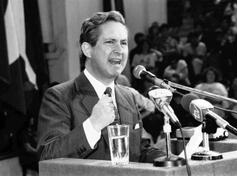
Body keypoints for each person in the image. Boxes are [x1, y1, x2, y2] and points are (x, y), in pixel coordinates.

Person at [37, 11, 164, 163]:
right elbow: (48, 157)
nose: (119, 50)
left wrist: (175, 160)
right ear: (87, 49)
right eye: (110, 42)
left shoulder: (127, 96)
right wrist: (93, 125)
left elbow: (139, 151)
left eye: (123, 43)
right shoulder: (59, 96)